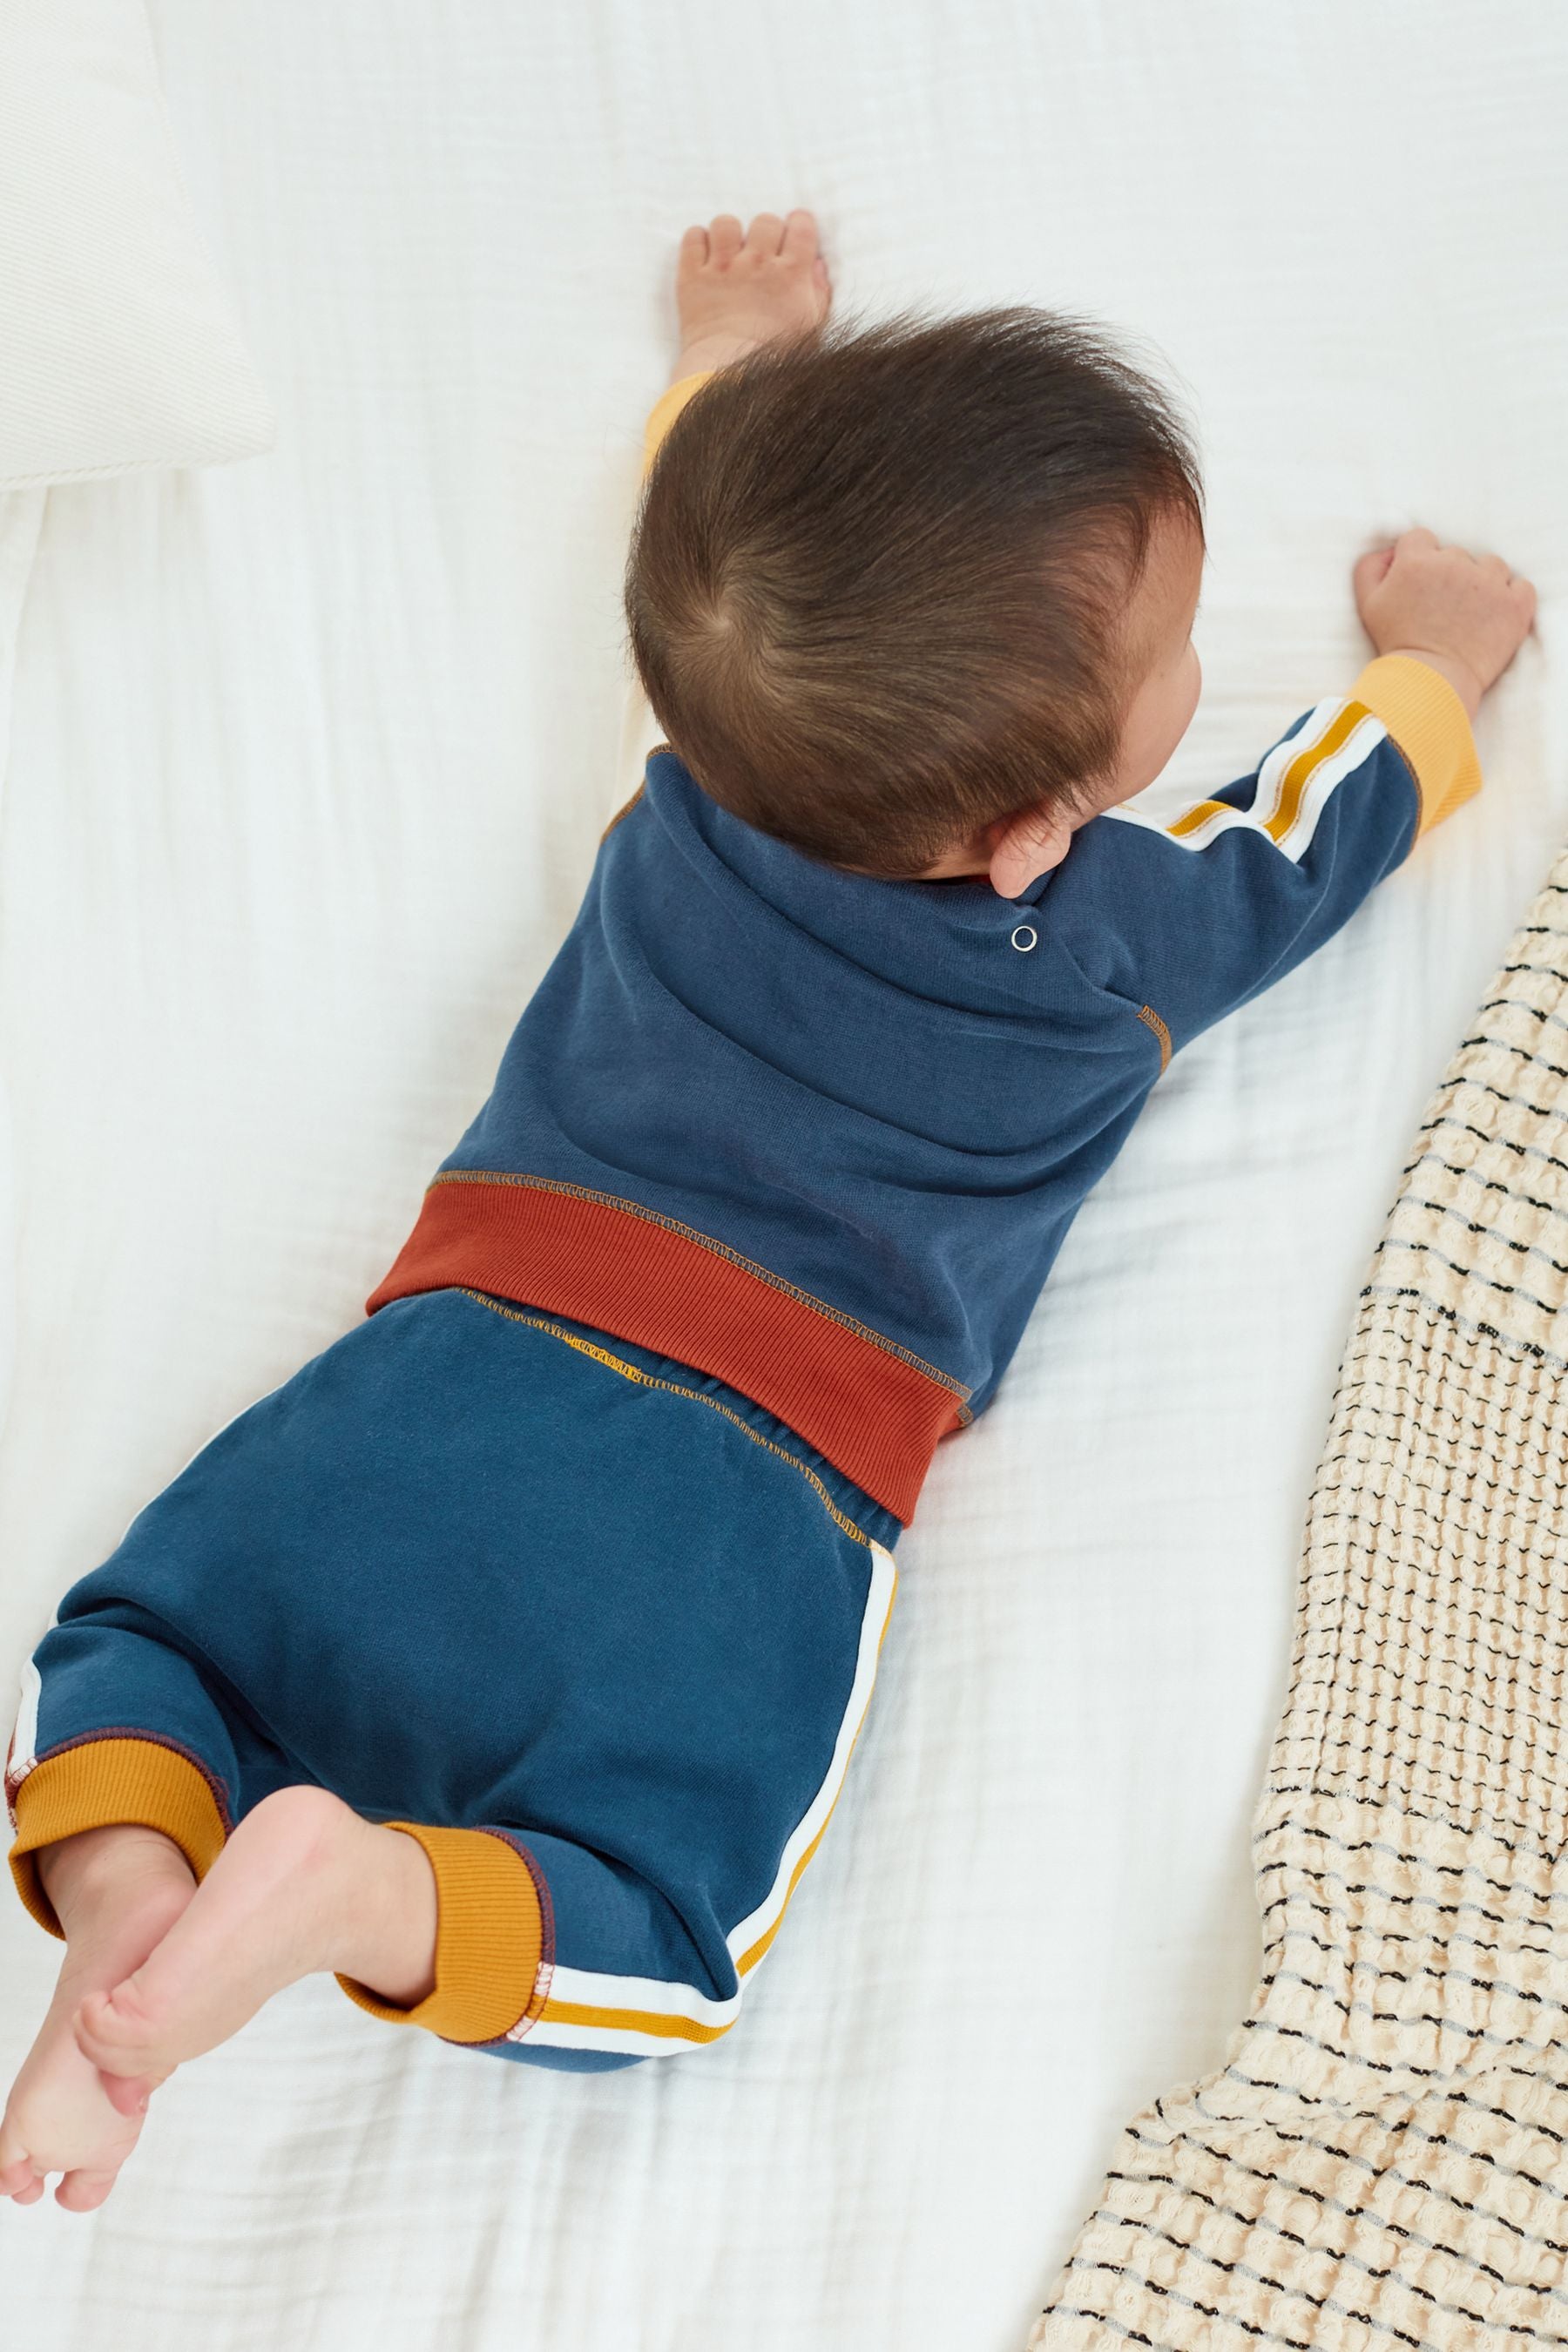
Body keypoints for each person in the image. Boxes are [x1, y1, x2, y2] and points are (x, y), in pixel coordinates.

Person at [0, 211, 1536, 2211]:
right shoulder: (1106, 941)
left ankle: (127, 1911)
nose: (1188, 669)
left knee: (153, 1640)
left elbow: (717, 546)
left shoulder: (699, 782)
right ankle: (364, 1893)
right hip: (746, 1496)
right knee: (666, 1931)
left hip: (435, 1373)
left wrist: (732, 355)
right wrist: (1438, 664)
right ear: (1028, 834)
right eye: (1166, 660)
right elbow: (1319, 836)